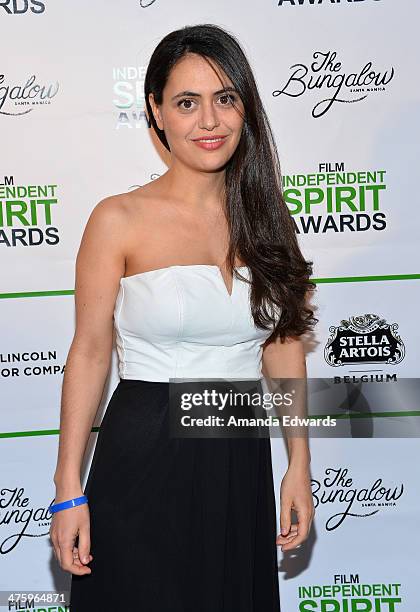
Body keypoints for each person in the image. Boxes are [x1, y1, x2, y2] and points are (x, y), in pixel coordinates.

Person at [49, 23, 317, 611]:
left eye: (225, 98)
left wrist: (298, 462)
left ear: (245, 106)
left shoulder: (270, 221)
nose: (210, 121)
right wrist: (68, 487)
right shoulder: (118, 218)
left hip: (237, 451)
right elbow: (90, 351)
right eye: (187, 103)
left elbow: (283, 341)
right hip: (145, 447)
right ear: (156, 112)